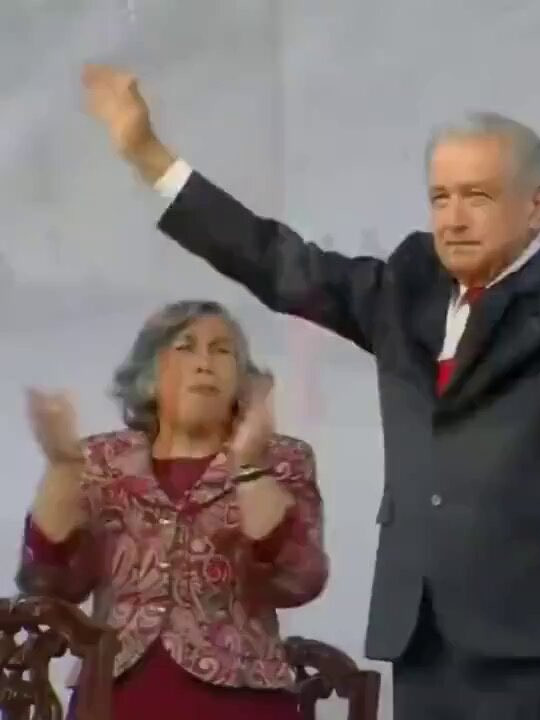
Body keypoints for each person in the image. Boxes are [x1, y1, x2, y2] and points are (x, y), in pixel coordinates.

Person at [80, 2, 540, 718]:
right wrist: (150, 157)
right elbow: (277, 262)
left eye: (477, 197)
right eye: (440, 198)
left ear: (538, 205)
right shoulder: (406, 292)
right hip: (426, 642)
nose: (453, 217)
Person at [17, 300, 328, 720]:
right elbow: (49, 580)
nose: (205, 364)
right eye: (185, 347)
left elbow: (299, 578)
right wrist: (62, 468)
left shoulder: (283, 460)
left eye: (222, 350)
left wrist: (250, 468)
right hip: (115, 698)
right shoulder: (100, 461)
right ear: (149, 373)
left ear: (242, 380)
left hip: (244, 701)